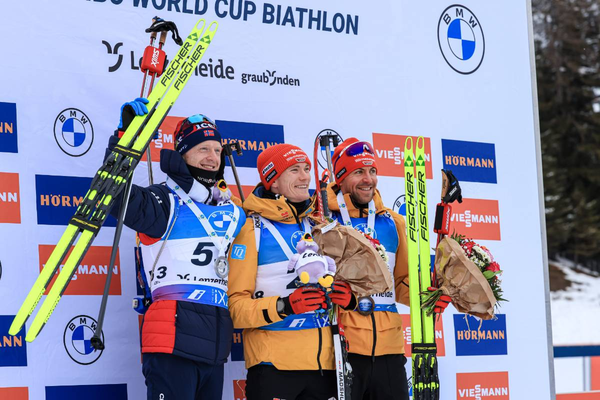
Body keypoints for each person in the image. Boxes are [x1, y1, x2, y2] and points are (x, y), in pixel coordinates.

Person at [107, 98, 246, 400]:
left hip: (215, 346)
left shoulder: (231, 211)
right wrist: (124, 138)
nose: (213, 158)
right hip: (171, 340)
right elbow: (115, 196)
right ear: (183, 154)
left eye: (218, 150)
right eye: (203, 149)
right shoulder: (164, 201)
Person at [227, 143, 354, 400]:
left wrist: (348, 299)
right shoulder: (252, 230)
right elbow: (236, 309)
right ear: (273, 182)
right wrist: (285, 305)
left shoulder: (322, 226)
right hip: (274, 368)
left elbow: (342, 289)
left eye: (306, 168)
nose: (305, 176)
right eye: (294, 170)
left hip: (326, 369)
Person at [326, 137, 449, 400]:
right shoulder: (324, 220)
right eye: (358, 171)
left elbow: (402, 283)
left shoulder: (393, 223)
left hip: (389, 349)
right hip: (342, 349)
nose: (368, 179)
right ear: (341, 177)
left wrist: (427, 299)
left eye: (372, 171)